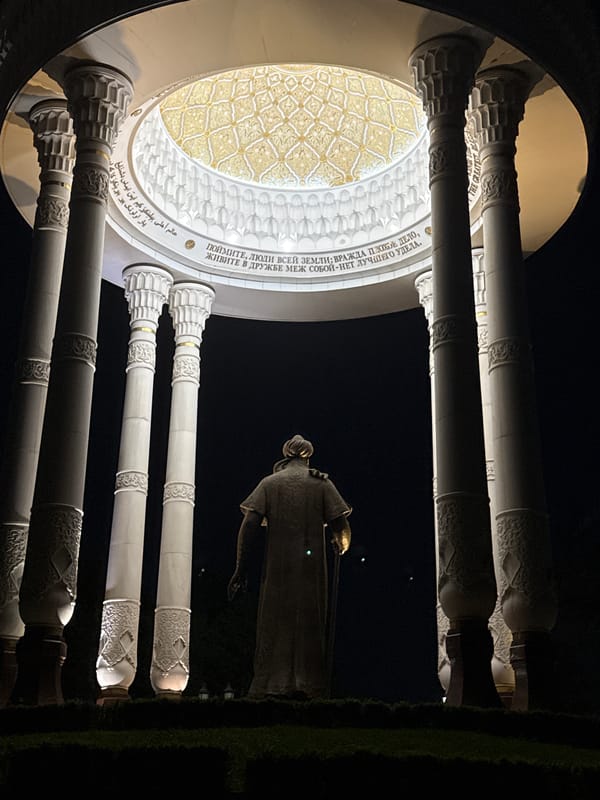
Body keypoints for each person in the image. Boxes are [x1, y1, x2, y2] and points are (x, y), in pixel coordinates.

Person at [228, 434, 352, 699]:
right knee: (310, 624)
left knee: (274, 624)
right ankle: (308, 685)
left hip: (277, 573)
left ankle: (269, 685)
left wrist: (241, 567)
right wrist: (341, 544)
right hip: (311, 573)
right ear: (308, 455)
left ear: (286, 455)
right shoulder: (322, 484)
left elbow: (248, 525)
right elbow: (342, 530)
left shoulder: (269, 483)